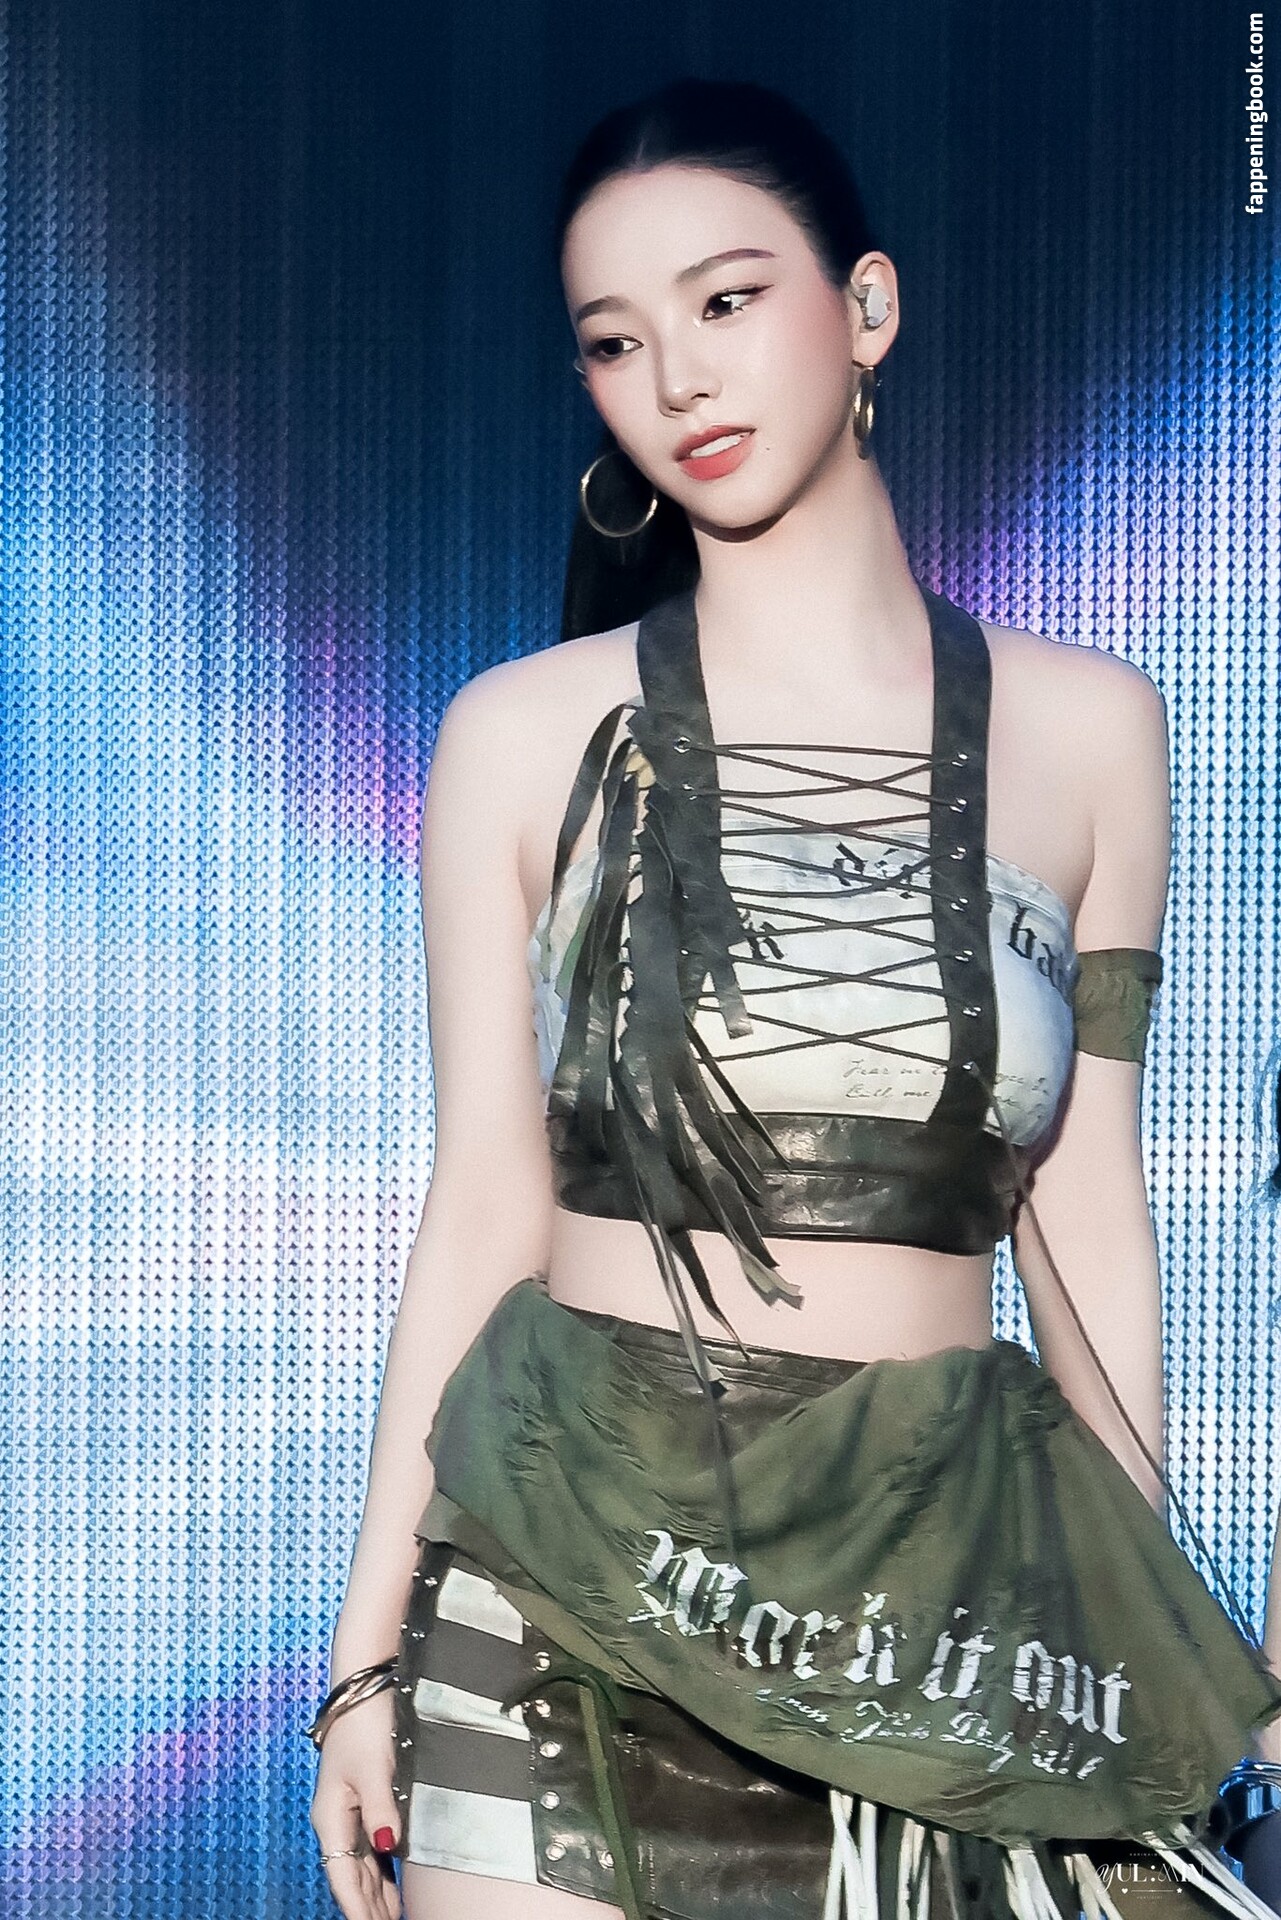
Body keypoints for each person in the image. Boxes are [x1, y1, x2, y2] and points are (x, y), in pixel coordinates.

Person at [306, 77, 1281, 1920]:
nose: (678, 376)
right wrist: (363, 1663)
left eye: (729, 299)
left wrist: (1134, 1636)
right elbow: (487, 1200)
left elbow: (1081, 1214)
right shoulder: (516, 736)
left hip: (940, 1613)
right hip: (564, 1590)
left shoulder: (1092, 734)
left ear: (867, 307)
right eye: (616, 340)